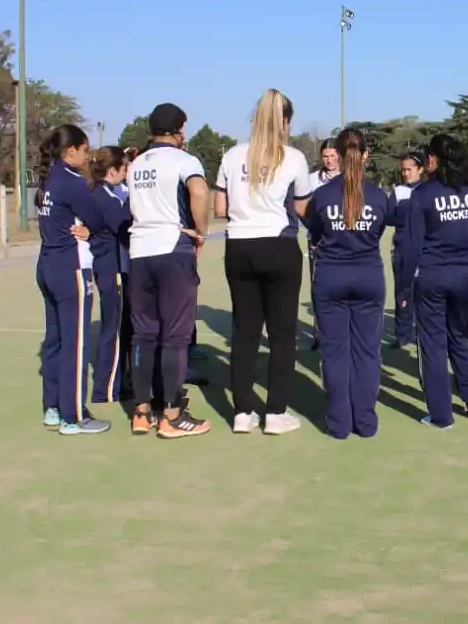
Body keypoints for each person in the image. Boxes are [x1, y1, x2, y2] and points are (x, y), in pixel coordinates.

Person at [215, 89, 312, 435]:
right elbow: (302, 208)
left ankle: (242, 413)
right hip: (279, 248)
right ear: (285, 121)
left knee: (245, 332)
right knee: (283, 335)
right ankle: (275, 413)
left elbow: (220, 209)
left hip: (239, 247)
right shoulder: (295, 158)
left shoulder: (231, 156)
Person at [126, 103, 212, 439]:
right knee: (175, 336)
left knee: (143, 334)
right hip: (172, 247)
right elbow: (200, 192)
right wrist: (200, 231)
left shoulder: (136, 164)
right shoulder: (184, 160)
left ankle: (142, 411)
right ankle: (173, 416)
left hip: (140, 251)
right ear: (178, 130)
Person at [397, 134, 468, 428]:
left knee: (433, 346)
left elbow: (411, 247)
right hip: (464, 277)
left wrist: (402, 286)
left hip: (432, 278)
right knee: (459, 338)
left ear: (433, 160)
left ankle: (441, 415)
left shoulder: (422, 195)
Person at [304, 128, 389, 438]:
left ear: (337, 156)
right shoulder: (379, 196)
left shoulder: (323, 195)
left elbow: (314, 231)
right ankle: (365, 422)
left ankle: (339, 423)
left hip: (330, 277)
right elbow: (379, 231)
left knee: (335, 352)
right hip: (368, 276)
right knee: (367, 352)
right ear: (365, 155)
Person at [35, 124, 109, 435]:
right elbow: (97, 217)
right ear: (71, 151)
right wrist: (91, 229)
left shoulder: (50, 179)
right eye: (85, 149)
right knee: (75, 344)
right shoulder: (73, 182)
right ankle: (73, 416)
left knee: (54, 340)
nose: (88, 155)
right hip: (71, 269)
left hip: (47, 267)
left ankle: (53, 408)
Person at [88, 146, 132, 406]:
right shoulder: (105, 197)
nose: (127, 174)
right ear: (113, 170)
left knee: (120, 327)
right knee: (113, 330)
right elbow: (124, 229)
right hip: (110, 267)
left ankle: (118, 381)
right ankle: (105, 390)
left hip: (110, 266)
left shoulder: (101, 193)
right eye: (124, 169)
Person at [304, 138, 341, 348]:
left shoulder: (348, 179)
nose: (329, 160)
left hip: (342, 241)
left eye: (333, 156)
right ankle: (320, 332)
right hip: (317, 242)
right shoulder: (311, 180)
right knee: (319, 288)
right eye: (325, 156)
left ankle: (339, 331)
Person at [388, 150, 424, 349]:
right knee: (402, 293)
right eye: (403, 170)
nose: (406, 174)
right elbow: (389, 217)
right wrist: (405, 212)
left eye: (410, 169)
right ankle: (402, 335)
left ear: (421, 169)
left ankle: (422, 332)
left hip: (424, 251)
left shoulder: (428, 191)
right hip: (401, 251)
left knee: (424, 294)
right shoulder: (398, 192)